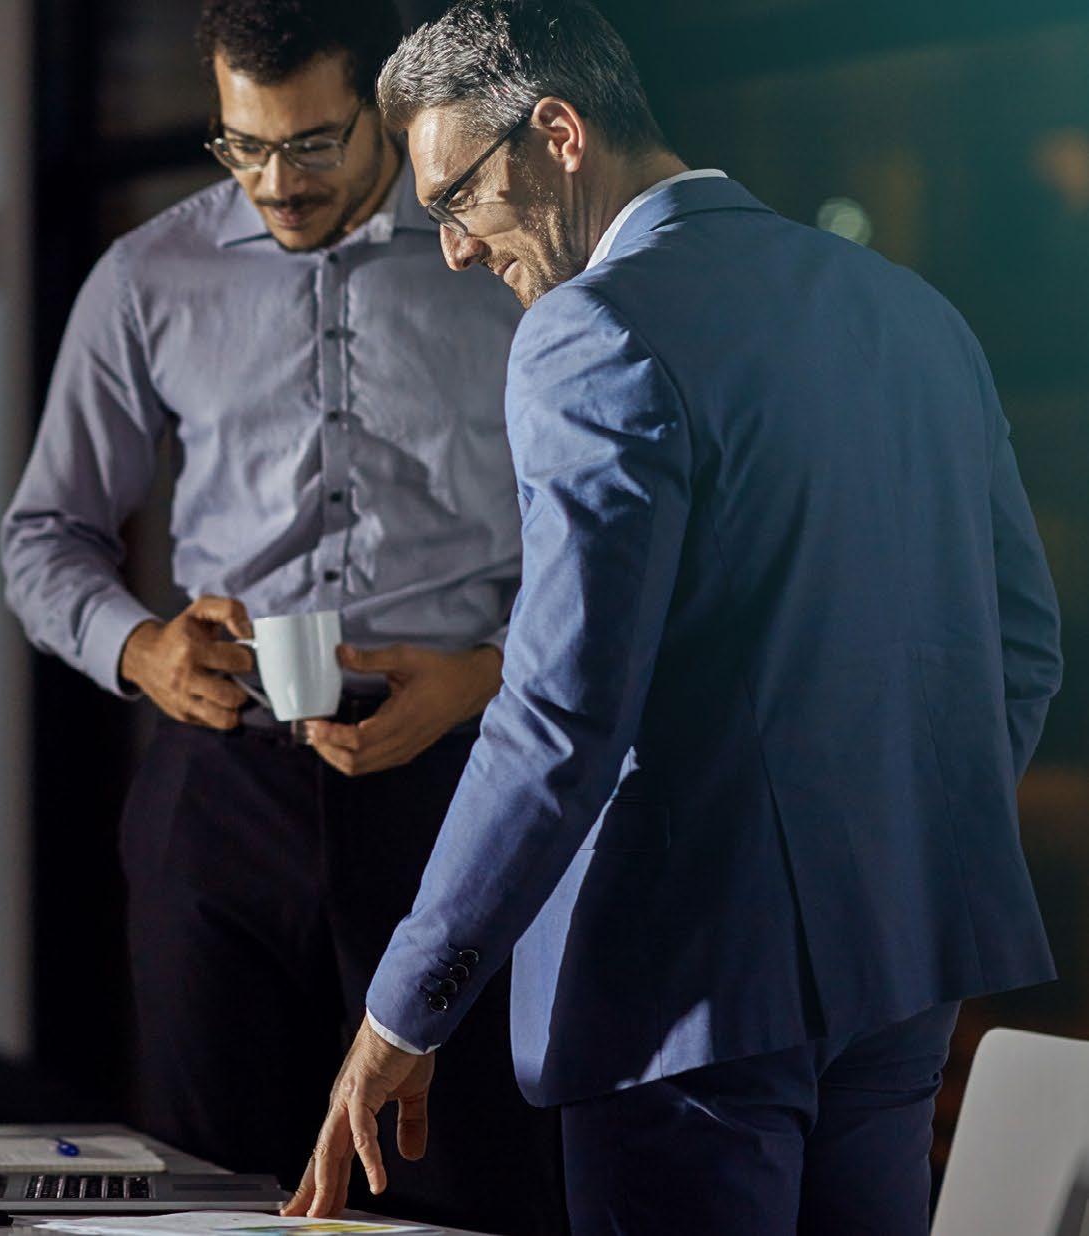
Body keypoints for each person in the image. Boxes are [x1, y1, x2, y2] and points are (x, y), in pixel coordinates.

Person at [285, 2, 1065, 1233]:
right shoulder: (913, 313)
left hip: (683, 994)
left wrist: (402, 1011)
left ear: (557, 135)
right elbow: (1022, 643)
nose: (456, 250)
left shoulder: (593, 332)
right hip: (901, 971)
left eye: (457, 201)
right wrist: (891, 834)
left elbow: (560, 718)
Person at [1, 2, 565, 1232]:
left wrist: (485, 676)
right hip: (221, 793)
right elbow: (44, 538)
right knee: (216, 1189)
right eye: (243, 146)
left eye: (311, 143)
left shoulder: (499, 266)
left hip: (458, 784)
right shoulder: (147, 277)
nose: (276, 181)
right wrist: (140, 648)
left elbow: (597, 546)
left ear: (382, 108)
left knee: (463, 1182)